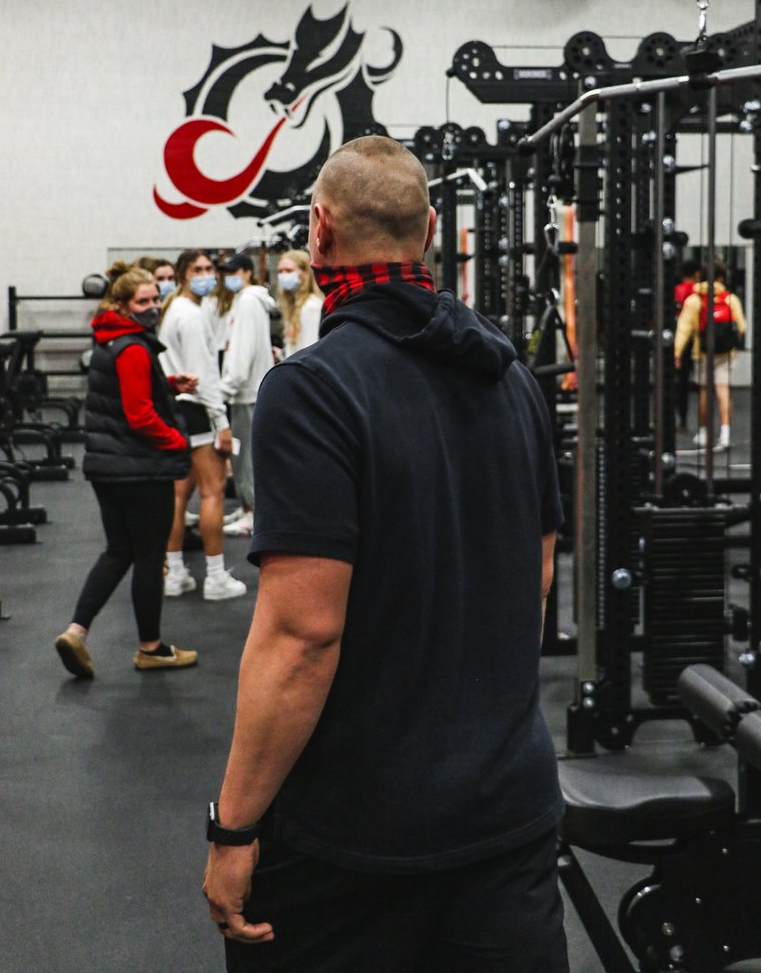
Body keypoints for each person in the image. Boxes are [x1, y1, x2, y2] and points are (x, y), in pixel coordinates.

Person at [202, 136, 568, 972]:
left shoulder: (313, 387)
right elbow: (536, 578)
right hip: (506, 815)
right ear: (430, 228)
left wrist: (234, 825)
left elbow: (302, 637)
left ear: (318, 231)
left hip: (356, 839)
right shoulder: (513, 379)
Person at [54, 263, 198, 677]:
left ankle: (75, 631)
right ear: (122, 304)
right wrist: (177, 440)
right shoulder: (134, 347)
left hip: (106, 466)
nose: (153, 307)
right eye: (143, 301)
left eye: (155, 299)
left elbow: (122, 393)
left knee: (118, 551)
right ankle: (151, 648)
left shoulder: (109, 339)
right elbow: (138, 416)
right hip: (138, 469)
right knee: (150, 557)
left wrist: (168, 385)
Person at [159, 250, 247, 601]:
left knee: (179, 496)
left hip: (178, 409)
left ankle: (176, 572)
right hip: (196, 409)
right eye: (198, 269)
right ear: (183, 275)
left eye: (210, 269)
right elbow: (203, 374)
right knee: (211, 492)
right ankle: (214, 577)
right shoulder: (190, 315)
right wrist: (221, 421)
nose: (207, 275)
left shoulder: (176, 309)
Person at [220, 253, 276, 537]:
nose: (229, 277)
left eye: (234, 271)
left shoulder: (249, 302)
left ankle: (255, 512)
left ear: (246, 272)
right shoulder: (243, 301)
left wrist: (227, 387)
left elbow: (244, 349)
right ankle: (247, 507)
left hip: (247, 391)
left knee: (249, 457)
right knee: (241, 457)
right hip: (244, 391)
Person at [675, 258, 747, 450]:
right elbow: (742, 325)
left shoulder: (695, 299)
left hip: (703, 352)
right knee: (723, 392)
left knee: (705, 392)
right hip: (725, 354)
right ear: (722, 277)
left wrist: (677, 351)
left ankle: (704, 433)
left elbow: (684, 328)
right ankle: (725, 434)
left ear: (701, 276)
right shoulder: (730, 298)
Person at [275, 249, 324, 358]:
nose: (283, 275)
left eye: (289, 270)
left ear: (305, 273)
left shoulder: (311, 307)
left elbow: (310, 352)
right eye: (280, 271)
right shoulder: (295, 305)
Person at [674, 259, 700, 431]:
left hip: (678, 339)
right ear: (696, 274)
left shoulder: (676, 291)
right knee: (693, 383)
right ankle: (701, 425)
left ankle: (680, 420)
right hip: (694, 340)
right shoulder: (697, 292)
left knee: (678, 382)